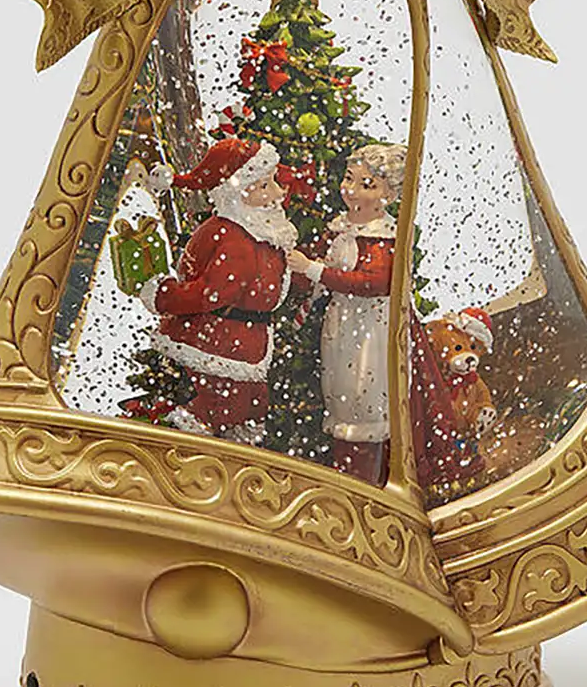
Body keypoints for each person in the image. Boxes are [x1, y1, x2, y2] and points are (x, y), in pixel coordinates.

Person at [140, 138, 296, 438]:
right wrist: (165, 297)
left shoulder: (258, 233)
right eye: (265, 186)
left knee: (210, 420)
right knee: (207, 422)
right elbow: (210, 294)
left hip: (226, 349)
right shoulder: (236, 236)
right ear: (234, 192)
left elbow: (212, 293)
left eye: (273, 182)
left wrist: (162, 295)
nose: (279, 193)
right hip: (215, 350)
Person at [287, 144, 406, 482]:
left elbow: (373, 282)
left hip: (370, 328)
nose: (351, 190)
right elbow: (323, 264)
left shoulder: (383, 238)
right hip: (341, 323)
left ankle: (365, 474)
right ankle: (345, 468)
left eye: (367, 185)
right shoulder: (340, 229)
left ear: (389, 194)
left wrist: (314, 270)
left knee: (364, 397)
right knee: (340, 394)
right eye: (349, 179)